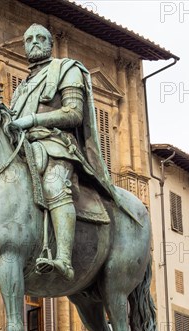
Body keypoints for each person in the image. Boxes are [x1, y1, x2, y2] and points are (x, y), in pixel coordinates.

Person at [10, 23, 123, 281]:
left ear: (51, 44)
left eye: (41, 38)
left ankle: (63, 257)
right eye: (29, 39)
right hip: (25, 148)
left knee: (54, 185)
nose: (35, 42)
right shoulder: (22, 88)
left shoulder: (66, 70)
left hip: (56, 145)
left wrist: (33, 121)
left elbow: (73, 113)